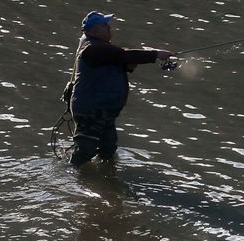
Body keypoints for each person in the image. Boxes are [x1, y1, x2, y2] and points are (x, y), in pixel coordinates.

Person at [63, 11, 173, 167]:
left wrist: (130, 64)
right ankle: (71, 178)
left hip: (105, 111)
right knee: (85, 151)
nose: (109, 27)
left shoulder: (101, 49)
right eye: (105, 25)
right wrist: (155, 54)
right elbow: (121, 55)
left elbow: (119, 60)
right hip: (91, 111)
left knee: (108, 150)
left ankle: (99, 181)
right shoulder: (91, 49)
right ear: (94, 31)